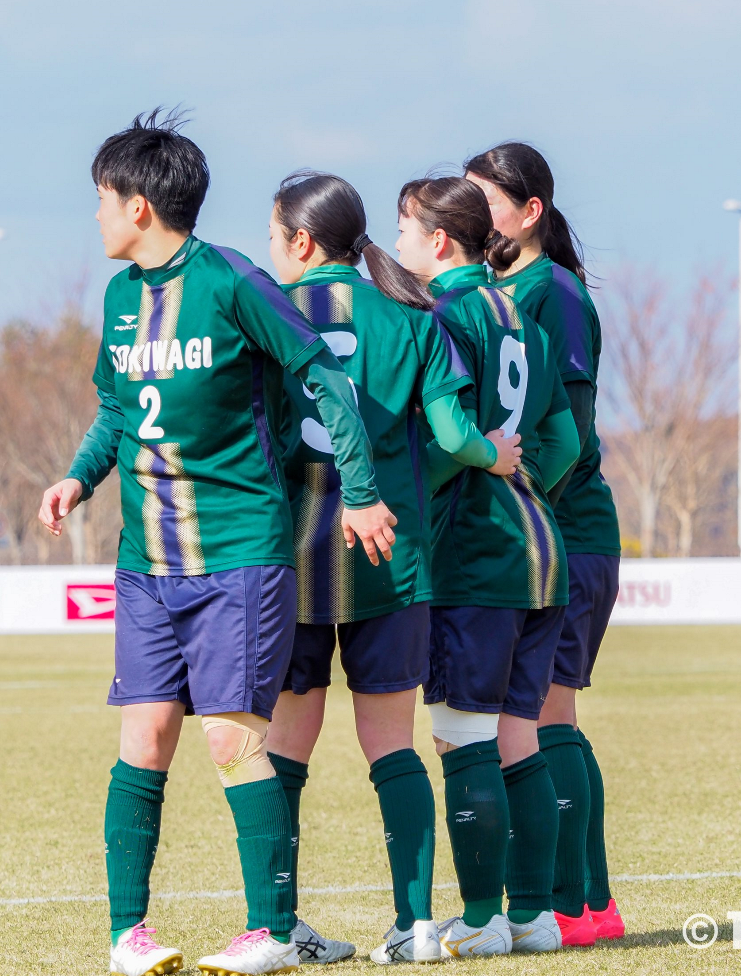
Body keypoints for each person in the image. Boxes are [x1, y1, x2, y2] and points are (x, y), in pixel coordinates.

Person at [37, 111, 396, 976]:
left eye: (101, 200)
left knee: (233, 740)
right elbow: (119, 411)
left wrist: (363, 490)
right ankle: (129, 935)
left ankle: (270, 929)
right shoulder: (121, 300)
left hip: (238, 556)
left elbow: (318, 374)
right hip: (145, 565)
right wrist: (79, 477)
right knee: (145, 738)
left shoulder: (234, 282)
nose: (94, 216)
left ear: (140, 207)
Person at [261, 172, 522, 965]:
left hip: (286, 561)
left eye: (276, 237)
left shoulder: (266, 316)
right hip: (389, 561)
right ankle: (413, 925)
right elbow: (451, 434)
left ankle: (279, 927)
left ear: (302, 243)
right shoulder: (412, 314)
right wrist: (495, 456)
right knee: (392, 747)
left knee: (282, 755)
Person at [394, 176, 580, 958]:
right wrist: (521, 477)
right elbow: (566, 445)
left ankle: (478, 919)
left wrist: (408, 497)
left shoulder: (440, 317)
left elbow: (441, 444)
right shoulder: (522, 319)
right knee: (519, 739)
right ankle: (533, 916)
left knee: (462, 739)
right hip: (540, 551)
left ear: (439, 242)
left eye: (403, 231)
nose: (397, 246)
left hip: (473, 556)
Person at [465, 142, 624, 945]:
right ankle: (585, 901)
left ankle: (579, 903)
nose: (471, 214)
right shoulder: (501, 291)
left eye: (484, 199)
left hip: (566, 530)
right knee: (548, 717)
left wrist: (521, 507)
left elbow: (568, 436)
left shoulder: (551, 292)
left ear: (530, 212)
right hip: (544, 532)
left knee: (549, 715)